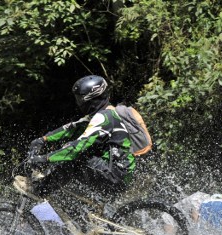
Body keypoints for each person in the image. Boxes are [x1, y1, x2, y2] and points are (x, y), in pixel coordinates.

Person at [13, 75, 135, 220]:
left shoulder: (104, 117)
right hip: (115, 171)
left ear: (91, 99)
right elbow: (71, 128)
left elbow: (77, 147)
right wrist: (42, 139)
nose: (78, 103)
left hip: (116, 174)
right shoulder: (99, 115)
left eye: (80, 99)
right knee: (67, 170)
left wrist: (45, 158)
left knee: (73, 161)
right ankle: (83, 222)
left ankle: (39, 190)